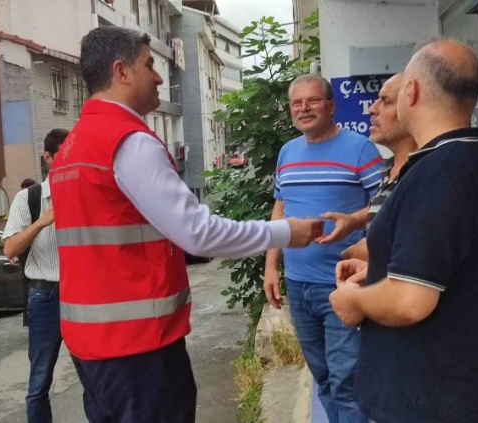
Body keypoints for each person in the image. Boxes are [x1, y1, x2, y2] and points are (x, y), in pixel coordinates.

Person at [48, 27, 322, 423]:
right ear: (121, 72)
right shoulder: (128, 142)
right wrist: (285, 232)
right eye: (150, 65)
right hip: (139, 349)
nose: (159, 77)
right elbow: (198, 232)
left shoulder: (72, 147)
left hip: (92, 348)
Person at [331, 39, 478, 423]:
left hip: (431, 404)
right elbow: (457, 269)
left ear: (411, 91)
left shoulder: (441, 171)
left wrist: (355, 302)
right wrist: (382, 270)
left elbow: (409, 301)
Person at [263, 74, 384, 423]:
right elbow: (280, 210)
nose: (304, 109)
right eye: (297, 103)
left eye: (313, 101)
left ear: (331, 106)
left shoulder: (360, 149)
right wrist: (272, 267)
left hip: (344, 284)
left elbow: (387, 206)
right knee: (324, 378)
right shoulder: (287, 152)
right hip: (298, 286)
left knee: (347, 380)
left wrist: (352, 219)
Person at [3, 129, 93, 423]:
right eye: (64, 156)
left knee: (96, 376)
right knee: (39, 381)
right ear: (48, 157)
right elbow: (10, 248)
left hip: (82, 293)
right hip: (44, 295)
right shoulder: (28, 199)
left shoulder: (86, 194)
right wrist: (42, 221)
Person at [321, 73, 417, 261]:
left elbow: (423, 246)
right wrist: (353, 221)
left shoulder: (424, 172)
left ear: (413, 110)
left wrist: (373, 252)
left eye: (386, 101)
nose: (372, 109)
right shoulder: (389, 168)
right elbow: (392, 210)